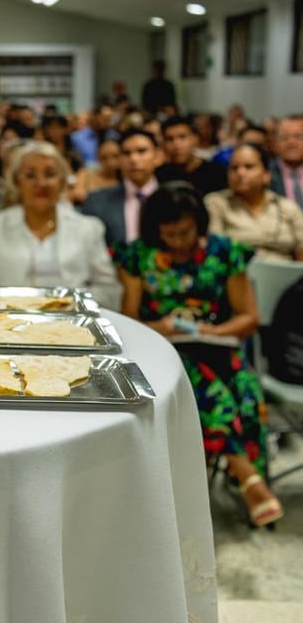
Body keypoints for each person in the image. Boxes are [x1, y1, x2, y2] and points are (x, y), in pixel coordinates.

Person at [115, 182, 282, 527]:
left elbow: (248, 317)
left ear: (199, 224)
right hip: (166, 352)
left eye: (186, 232)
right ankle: (247, 476)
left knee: (241, 393)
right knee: (204, 389)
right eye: (170, 234)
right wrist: (160, 327)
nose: (178, 242)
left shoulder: (223, 252)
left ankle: (235, 481)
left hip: (218, 345)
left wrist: (214, 331)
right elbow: (129, 321)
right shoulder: (139, 255)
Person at [0, 142, 120, 309]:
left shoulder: (89, 229)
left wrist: (66, 305)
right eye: (30, 176)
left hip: (72, 325)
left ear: (62, 181)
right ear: (17, 182)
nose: (41, 183)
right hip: (5, 325)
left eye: (50, 174)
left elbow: (109, 292)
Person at [205, 143, 303, 261]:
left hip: (286, 274)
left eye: (249, 167)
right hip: (236, 273)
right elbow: (214, 250)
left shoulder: (288, 207)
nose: (240, 173)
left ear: (266, 175)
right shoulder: (216, 203)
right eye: (234, 168)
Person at [81, 128, 160, 247]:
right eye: (126, 153)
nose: (133, 159)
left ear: (157, 156)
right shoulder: (96, 202)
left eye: (142, 151)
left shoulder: (175, 199)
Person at [157, 116, 227, 196]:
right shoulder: (159, 175)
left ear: (195, 139)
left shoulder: (216, 173)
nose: (176, 144)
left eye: (182, 137)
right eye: (169, 139)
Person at [69, 138, 122, 205]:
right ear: (98, 158)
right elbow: (76, 194)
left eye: (115, 156)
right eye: (104, 158)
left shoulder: (126, 180)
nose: (110, 162)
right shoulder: (86, 174)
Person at [268, 114, 303, 208]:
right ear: (275, 143)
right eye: (284, 137)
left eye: (299, 137)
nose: (291, 143)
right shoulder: (266, 174)